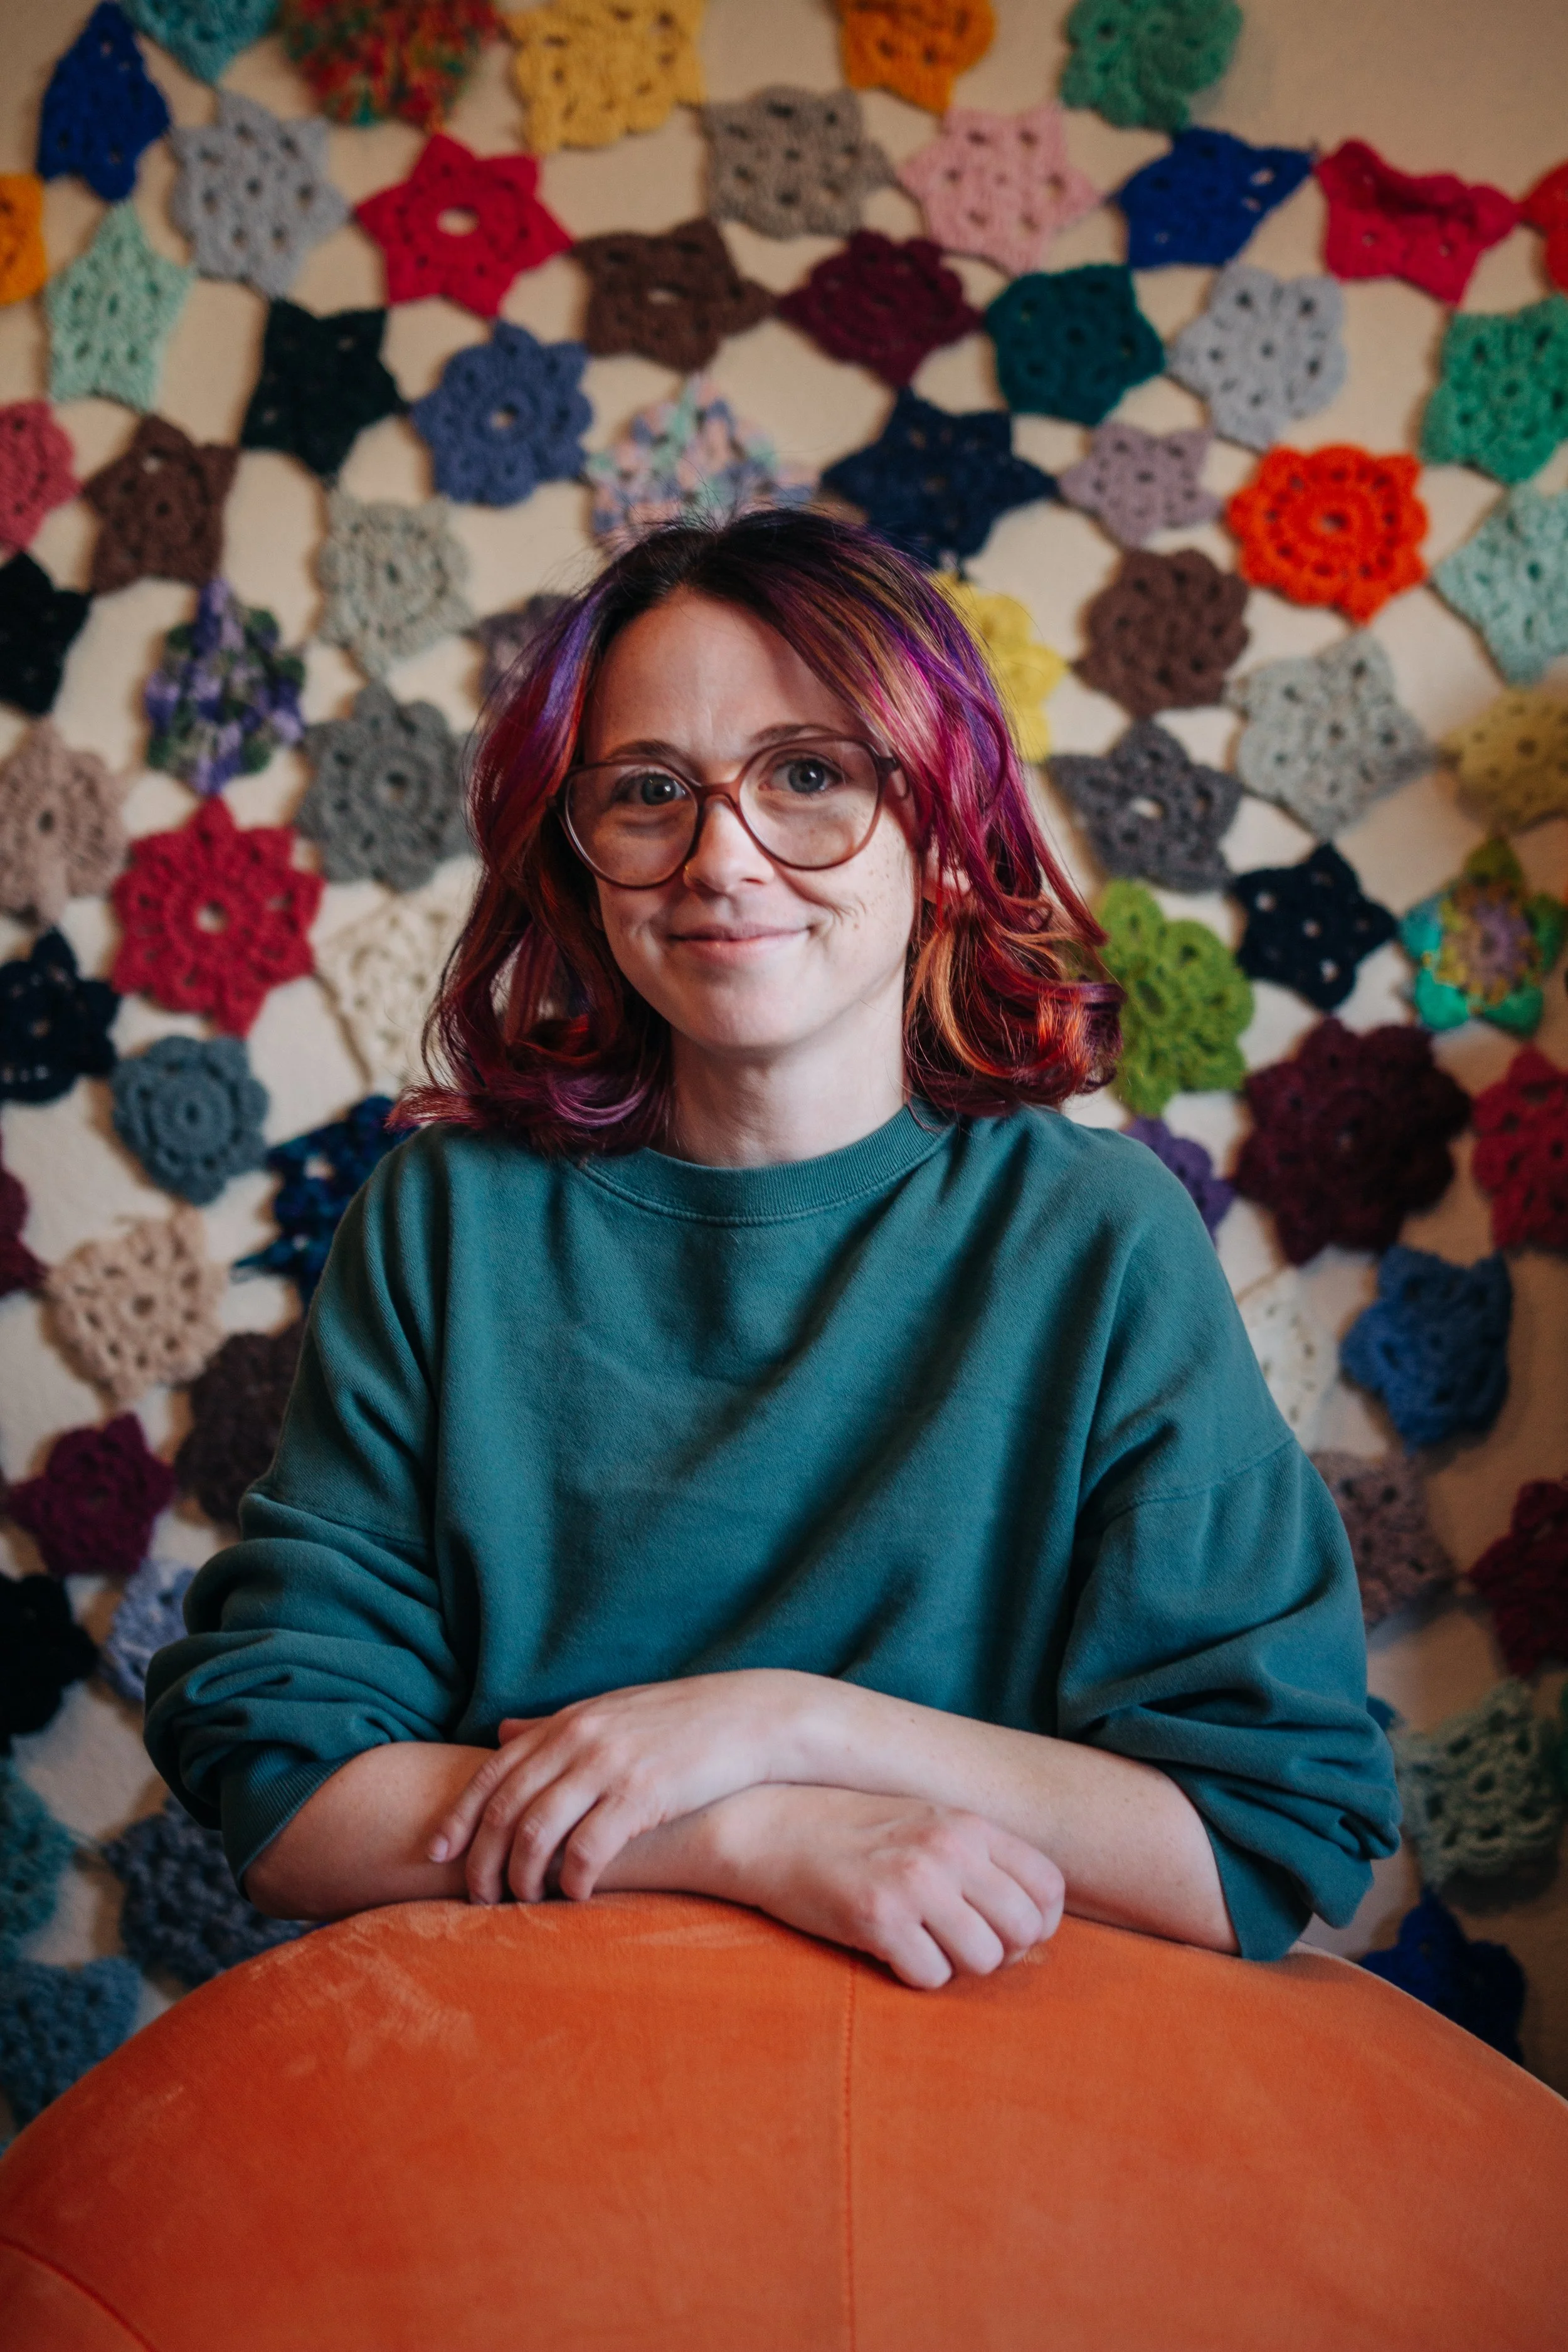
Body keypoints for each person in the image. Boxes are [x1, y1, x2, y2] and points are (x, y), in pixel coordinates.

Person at [144, 508, 1400, 1990]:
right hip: (518, 2057)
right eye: (647, 792)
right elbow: (289, 1793)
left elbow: (1260, 1839)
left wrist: (786, 1723)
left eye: (807, 776)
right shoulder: (445, 1219)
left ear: (942, 832)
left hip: (981, 2069)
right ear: (576, 855)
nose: (719, 858)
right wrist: (743, 1833)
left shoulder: (1098, 1236)